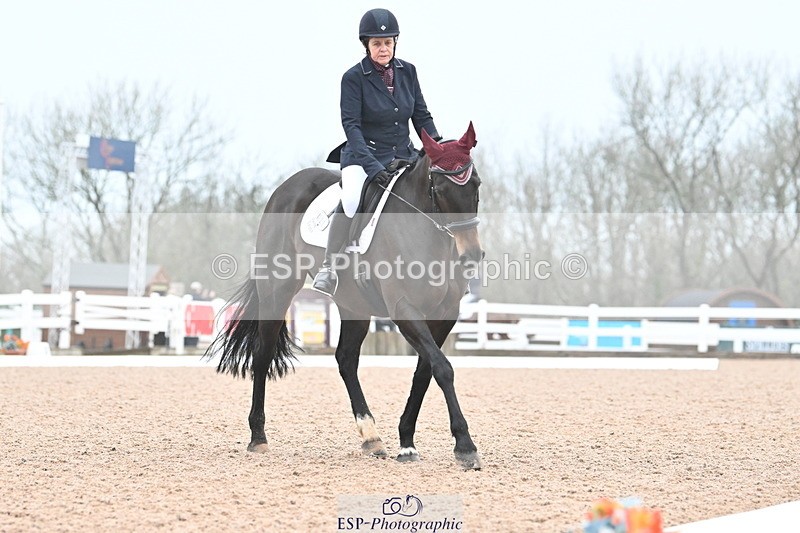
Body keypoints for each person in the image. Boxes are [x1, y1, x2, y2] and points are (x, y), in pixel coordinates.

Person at [312, 7, 441, 297]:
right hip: (363, 156)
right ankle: (329, 268)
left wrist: (437, 148)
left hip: (402, 155)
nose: (383, 48)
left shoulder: (408, 72)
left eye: (388, 43)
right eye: (377, 44)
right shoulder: (353, 78)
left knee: (430, 193)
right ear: (367, 45)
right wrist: (372, 168)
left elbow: (421, 116)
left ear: (396, 42)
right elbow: (352, 127)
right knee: (353, 198)